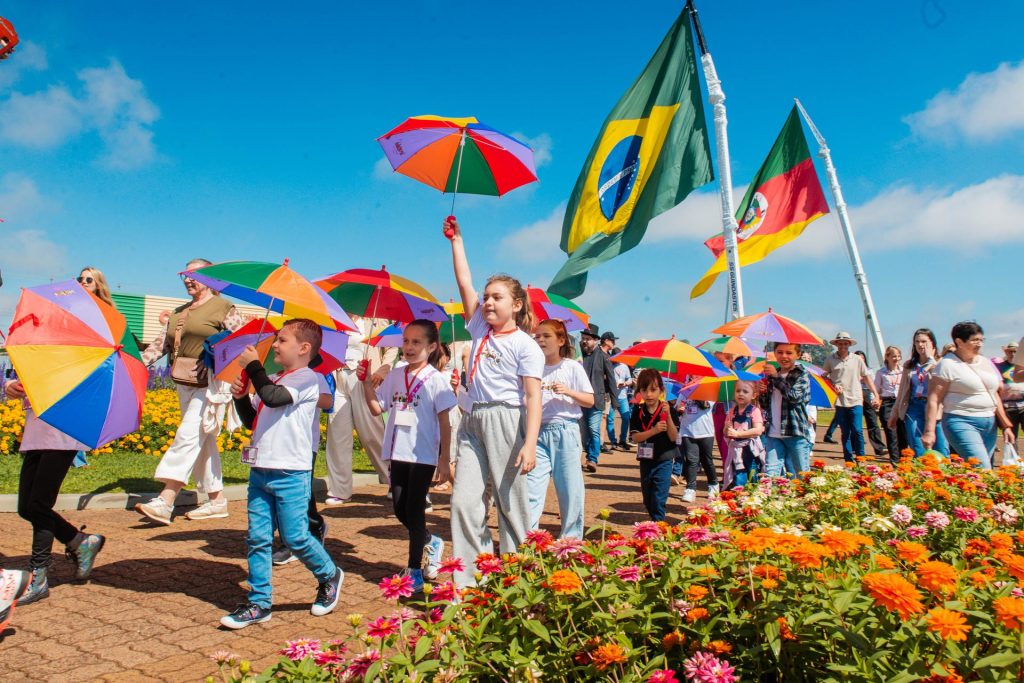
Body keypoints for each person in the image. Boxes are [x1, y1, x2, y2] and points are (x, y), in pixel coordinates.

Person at [222, 319, 343, 629]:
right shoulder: (274, 378)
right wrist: (240, 397)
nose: (274, 345)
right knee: (257, 538)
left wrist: (253, 367)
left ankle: (329, 574)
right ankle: (259, 602)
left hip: (291, 471)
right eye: (276, 339)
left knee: (296, 536)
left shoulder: (308, 379)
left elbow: (274, 397)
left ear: (304, 348)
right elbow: (252, 418)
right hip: (261, 469)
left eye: (282, 340)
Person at [445, 216, 543, 588]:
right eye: (486, 297)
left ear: (516, 305)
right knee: (463, 502)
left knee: (510, 503)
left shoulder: (525, 345)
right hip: (472, 420)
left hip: (506, 420)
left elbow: (533, 396)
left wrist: (530, 443)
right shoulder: (479, 328)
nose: (487, 302)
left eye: (496, 297)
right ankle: (473, 582)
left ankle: (519, 580)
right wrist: (456, 241)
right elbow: (464, 282)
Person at [137, 259, 243, 525]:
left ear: (210, 278)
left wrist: (225, 363)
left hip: (211, 384)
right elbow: (159, 345)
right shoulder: (179, 312)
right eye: (184, 274)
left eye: (194, 274)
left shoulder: (224, 307)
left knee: (188, 434)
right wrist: (134, 367)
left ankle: (166, 499)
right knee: (202, 441)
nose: (187, 279)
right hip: (184, 381)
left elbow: (242, 341)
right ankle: (217, 501)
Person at [361, 320, 456, 592]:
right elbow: (377, 408)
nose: (409, 347)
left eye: (416, 342)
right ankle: (430, 540)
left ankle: (414, 569)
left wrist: (444, 459)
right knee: (400, 509)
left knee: (414, 510)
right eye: (406, 341)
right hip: (397, 451)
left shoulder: (436, 380)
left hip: (423, 454)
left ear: (432, 347)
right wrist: (366, 383)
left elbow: (445, 422)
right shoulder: (395, 375)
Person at [6, 379, 106, 604]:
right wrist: (11, 386)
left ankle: (39, 577)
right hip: (36, 431)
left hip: (63, 432)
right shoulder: (40, 357)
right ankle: (80, 541)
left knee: (38, 506)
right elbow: (23, 377)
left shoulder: (77, 360)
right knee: (26, 508)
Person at [528, 319, 594, 538]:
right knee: (531, 489)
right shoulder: (531, 370)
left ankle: (571, 540)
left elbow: (590, 400)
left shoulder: (572, 367)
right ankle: (529, 539)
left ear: (561, 340)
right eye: (537, 336)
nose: (541, 340)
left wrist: (569, 392)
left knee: (569, 489)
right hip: (537, 432)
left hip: (566, 430)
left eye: (546, 336)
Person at [323, 316, 398, 505]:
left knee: (372, 434)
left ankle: (395, 480)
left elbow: (392, 347)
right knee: (337, 435)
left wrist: (382, 370)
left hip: (363, 380)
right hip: (338, 377)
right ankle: (339, 490)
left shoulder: (376, 320)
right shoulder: (334, 320)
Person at [923, 322, 1016, 468]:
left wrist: (1006, 426)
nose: (980, 344)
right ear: (959, 342)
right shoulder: (947, 365)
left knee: (980, 470)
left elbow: (993, 394)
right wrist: (929, 431)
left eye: (981, 340)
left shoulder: (986, 362)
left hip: (989, 423)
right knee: (982, 466)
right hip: (960, 420)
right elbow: (934, 399)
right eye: (975, 340)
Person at [271, 365, 333, 567]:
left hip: (303, 445)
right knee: (280, 493)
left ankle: (300, 537)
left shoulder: (313, 376)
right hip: (275, 444)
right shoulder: (272, 376)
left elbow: (327, 401)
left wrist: (300, 393)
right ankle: (299, 532)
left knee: (297, 493)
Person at [629, 369, 679, 522]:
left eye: (653, 389)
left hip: (664, 459)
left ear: (661, 391)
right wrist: (654, 430)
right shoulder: (638, 412)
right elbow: (635, 437)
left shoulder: (668, 410)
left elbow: (673, 436)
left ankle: (658, 525)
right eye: (644, 390)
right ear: (639, 392)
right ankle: (655, 520)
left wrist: (668, 416)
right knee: (648, 498)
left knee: (659, 496)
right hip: (646, 460)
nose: (649, 394)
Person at [822, 332, 879, 462]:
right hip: (840, 400)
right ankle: (848, 459)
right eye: (840, 343)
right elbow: (824, 377)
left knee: (857, 429)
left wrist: (876, 394)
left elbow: (866, 377)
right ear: (836, 344)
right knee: (845, 431)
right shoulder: (830, 359)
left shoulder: (857, 359)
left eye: (845, 343)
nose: (843, 346)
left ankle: (860, 458)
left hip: (856, 398)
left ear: (849, 344)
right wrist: (833, 385)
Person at [891, 329, 948, 457]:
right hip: (914, 407)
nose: (920, 345)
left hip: (935, 408)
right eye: (917, 342)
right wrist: (895, 412)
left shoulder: (940, 363)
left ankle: (943, 469)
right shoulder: (909, 365)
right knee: (917, 446)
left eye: (924, 341)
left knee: (941, 447)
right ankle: (922, 467)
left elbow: (938, 382)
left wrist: (931, 361)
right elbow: (902, 390)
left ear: (932, 343)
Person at [761, 342, 814, 477]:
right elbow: (766, 405)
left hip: (795, 432)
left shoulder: (801, 374)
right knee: (770, 474)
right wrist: (762, 392)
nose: (784, 356)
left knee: (802, 473)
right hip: (774, 433)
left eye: (789, 353)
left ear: (798, 355)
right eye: (780, 352)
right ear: (774, 353)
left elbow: (794, 397)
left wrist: (776, 378)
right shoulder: (773, 374)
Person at [580, 325, 616, 473]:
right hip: (581, 399)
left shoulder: (603, 356)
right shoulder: (581, 355)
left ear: (595, 340)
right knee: (584, 433)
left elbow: (612, 379)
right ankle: (589, 455)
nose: (584, 341)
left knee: (593, 429)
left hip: (596, 399)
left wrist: (614, 400)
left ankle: (593, 459)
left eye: (587, 339)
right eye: (583, 338)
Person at [675, 395, 719, 503]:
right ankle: (690, 489)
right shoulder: (685, 393)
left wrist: (699, 397)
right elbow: (677, 407)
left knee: (707, 461)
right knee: (691, 460)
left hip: (705, 432)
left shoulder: (708, 392)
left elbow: (707, 405)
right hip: (687, 432)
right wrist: (679, 408)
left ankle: (713, 485)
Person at [723, 380, 766, 489]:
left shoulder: (754, 411)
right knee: (738, 473)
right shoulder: (732, 411)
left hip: (750, 449)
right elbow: (726, 433)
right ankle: (739, 491)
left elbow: (758, 430)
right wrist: (727, 428)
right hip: (736, 449)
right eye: (738, 391)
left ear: (753, 395)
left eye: (745, 391)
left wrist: (738, 434)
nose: (741, 394)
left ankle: (754, 492)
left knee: (753, 472)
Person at [874, 345, 908, 464]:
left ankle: (904, 459)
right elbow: (876, 390)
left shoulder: (904, 371)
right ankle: (894, 460)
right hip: (887, 403)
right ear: (887, 357)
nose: (896, 359)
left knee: (903, 432)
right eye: (894, 356)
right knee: (890, 432)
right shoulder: (881, 373)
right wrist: (875, 400)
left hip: (901, 402)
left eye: (898, 356)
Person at [854, 350, 887, 457]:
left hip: (867, 394)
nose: (860, 360)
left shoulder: (869, 370)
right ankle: (855, 447)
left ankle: (879, 447)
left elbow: (871, 382)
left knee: (872, 421)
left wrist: (875, 397)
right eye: (858, 358)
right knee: (855, 423)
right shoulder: (851, 369)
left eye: (862, 358)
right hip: (855, 394)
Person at [994, 341, 1024, 444]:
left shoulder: (1022, 366)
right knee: (1011, 437)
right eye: (1010, 351)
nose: (1013, 354)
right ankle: (1013, 454)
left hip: (1023, 405)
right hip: (1007, 407)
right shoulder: (998, 367)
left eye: (1016, 352)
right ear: (1006, 352)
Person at [605, 348, 633, 450]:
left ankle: (622, 441)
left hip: (623, 397)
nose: (617, 359)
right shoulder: (608, 365)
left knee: (626, 418)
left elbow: (630, 380)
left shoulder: (624, 366)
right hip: (611, 397)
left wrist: (625, 383)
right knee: (610, 419)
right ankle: (613, 442)